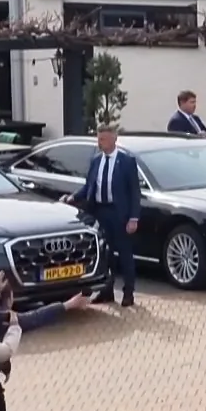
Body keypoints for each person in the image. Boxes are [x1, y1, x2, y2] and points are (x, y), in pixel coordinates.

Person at [64, 124, 142, 308]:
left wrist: (133, 218)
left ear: (114, 139)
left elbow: (134, 192)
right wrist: (74, 196)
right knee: (105, 254)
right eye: (99, 139)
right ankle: (107, 291)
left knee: (124, 254)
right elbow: (89, 187)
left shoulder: (126, 162)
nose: (101, 143)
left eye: (104, 139)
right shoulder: (96, 161)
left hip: (119, 214)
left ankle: (128, 292)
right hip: (100, 212)